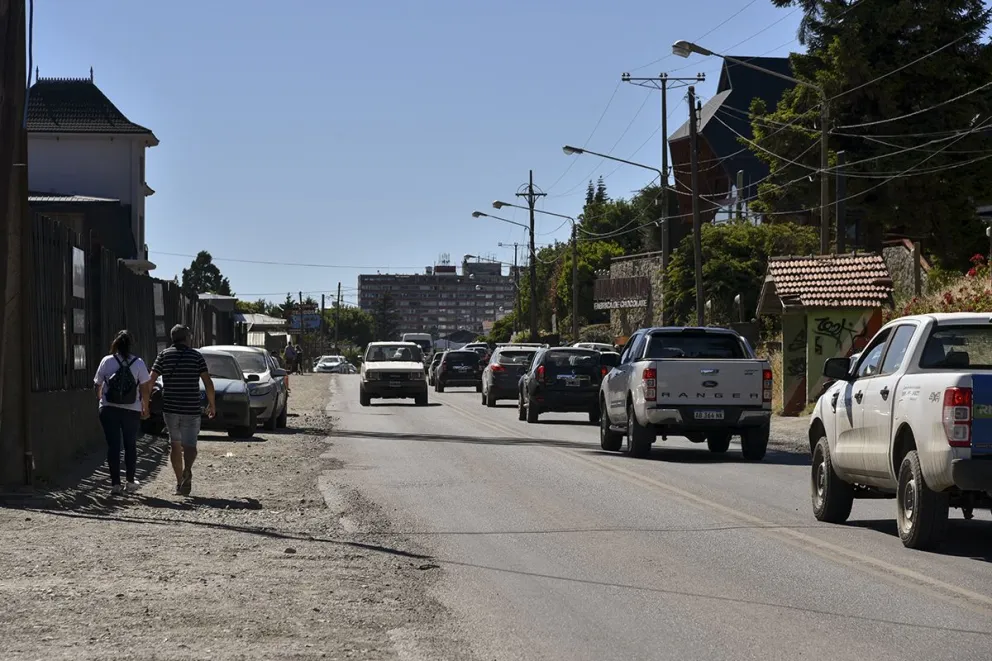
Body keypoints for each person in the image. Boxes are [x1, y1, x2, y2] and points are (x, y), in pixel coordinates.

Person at [149, 324, 216, 496]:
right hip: (192, 408)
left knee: (175, 444)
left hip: (170, 408)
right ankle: (188, 469)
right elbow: (208, 382)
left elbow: (151, 379)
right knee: (190, 444)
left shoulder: (164, 355)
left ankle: (179, 482)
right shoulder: (196, 356)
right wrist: (212, 404)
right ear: (186, 338)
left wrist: (144, 402)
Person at [93, 330, 152, 495]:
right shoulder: (138, 363)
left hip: (109, 408)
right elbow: (145, 388)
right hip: (131, 409)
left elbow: (98, 385)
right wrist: (145, 406)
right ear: (131, 344)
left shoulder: (107, 361)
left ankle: (115, 484)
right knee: (130, 445)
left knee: (113, 446)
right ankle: (131, 481)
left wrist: (101, 401)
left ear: (116, 344)